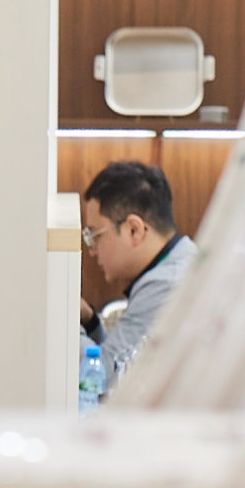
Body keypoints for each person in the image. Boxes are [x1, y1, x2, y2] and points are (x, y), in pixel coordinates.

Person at [79, 160, 196, 387]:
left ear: (134, 230)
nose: (92, 250)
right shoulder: (177, 265)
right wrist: (90, 321)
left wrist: (62, 321)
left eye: (95, 236)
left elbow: (104, 378)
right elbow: (119, 358)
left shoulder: (168, 286)